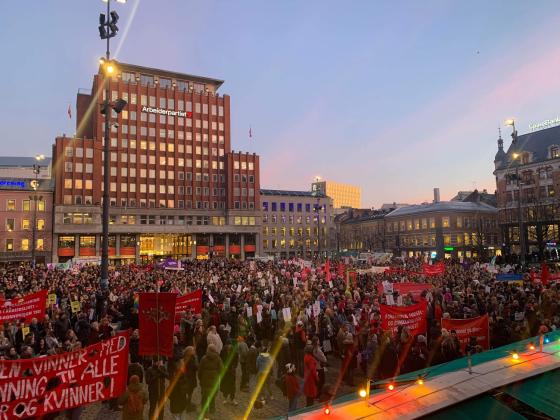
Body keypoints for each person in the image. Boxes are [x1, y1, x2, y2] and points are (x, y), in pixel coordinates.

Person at [198, 344, 223, 416]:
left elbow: (200, 370)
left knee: (204, 397)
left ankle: (204, 410)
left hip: (205, 381)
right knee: (212, 396)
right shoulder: (218, 358)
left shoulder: (204, 358)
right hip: (214, 381)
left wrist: (201, 379)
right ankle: (212, 409)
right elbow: (221, 369)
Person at [220, 339, 239, 405]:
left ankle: (232, 399)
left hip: (231, 371)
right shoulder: (222, 351)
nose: (229, 346)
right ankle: (225, 398)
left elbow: (236, 361)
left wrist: (234, 367)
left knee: (232, 385)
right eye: (228, 345)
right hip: (225, 371)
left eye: (230, 345)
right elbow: (220, 360)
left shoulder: (235, 353)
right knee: (225, 385)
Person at [256, 340, 274, 405]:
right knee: (268, 385)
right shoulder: (269, 357)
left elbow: (257, 366)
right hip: (267, 373)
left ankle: (263, 396)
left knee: (262, 385)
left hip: (261, 373)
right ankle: (271, 395)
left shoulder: (258, 357)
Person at [183, 346, 198, 412]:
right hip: (190, 378)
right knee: (190, 393)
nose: (194, 351)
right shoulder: (191, 359)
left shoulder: (185, 358)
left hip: (188, 378)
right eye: (193, 350)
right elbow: (196, 367)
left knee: (188, 393)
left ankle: (187, 404)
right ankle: (188, 406)